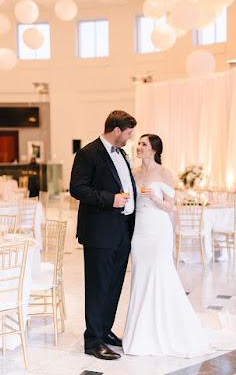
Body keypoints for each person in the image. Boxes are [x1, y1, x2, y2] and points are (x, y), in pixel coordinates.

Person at [122, 134, 236, 357]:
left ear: (154, 150)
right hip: (139, 231)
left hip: (158, 230)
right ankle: (139, 330)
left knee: (160, 274)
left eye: (143, 144)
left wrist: (154, 198)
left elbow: (170, 207)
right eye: (138, 143)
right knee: (140, 276)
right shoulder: (134, 172)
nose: (138, 147)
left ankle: (164, 327)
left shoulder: (164, 173)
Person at [70, 110, 137, 360]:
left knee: (114, 285)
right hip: (99, 233)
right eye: (129, 133)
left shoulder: (120, 153)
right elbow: (77, 188)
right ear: (116, 130)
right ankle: (93, 340)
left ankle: (105, 330)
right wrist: (111, 200)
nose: (130, 138)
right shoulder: (89, 153)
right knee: (98, 286)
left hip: (121, 230)